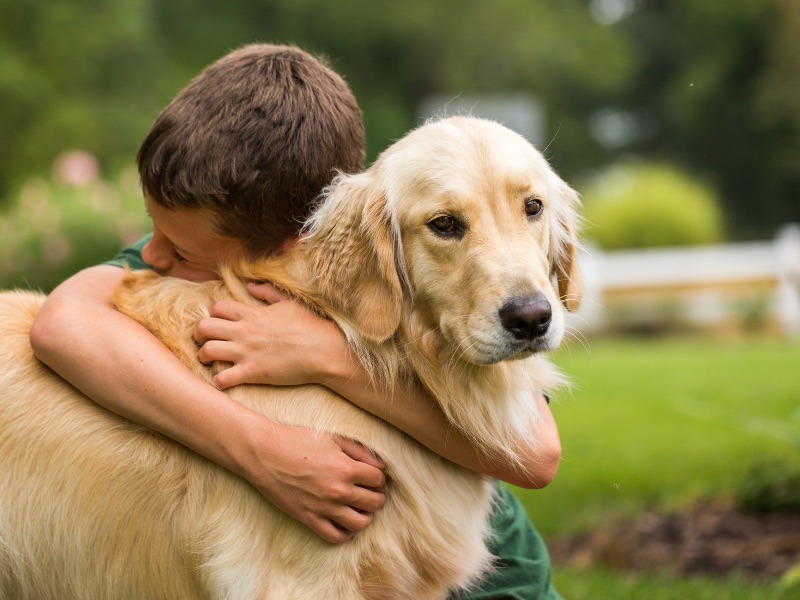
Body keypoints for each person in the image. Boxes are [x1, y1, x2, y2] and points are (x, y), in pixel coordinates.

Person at [29, 43, 562, 599]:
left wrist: (327, 358)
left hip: (500, 577)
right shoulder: (213, 235)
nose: (153, 257)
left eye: (182, 252)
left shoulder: (353, 244)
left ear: (292, 245)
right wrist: (262, 449)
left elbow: (537, 453)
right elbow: (60, 323)